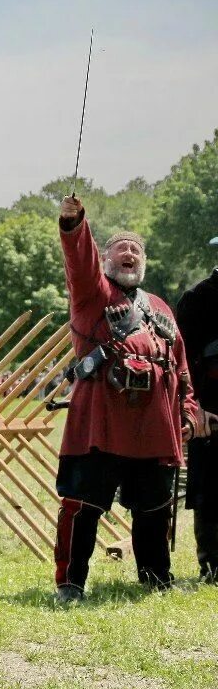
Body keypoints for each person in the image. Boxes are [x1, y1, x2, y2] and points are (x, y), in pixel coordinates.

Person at [53, 196, 199, 603]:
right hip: (101, 420)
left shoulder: (160, 307)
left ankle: (155, 577)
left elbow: (181, 366)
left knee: (153, 507)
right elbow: (79, 261)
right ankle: (71, 584)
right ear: (106, 259)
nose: (130, 253)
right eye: (121, 248)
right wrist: (74, 226)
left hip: (154, 427)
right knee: (83, 507)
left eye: (136, 249)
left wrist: (186, 413)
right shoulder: (92, 293)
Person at [175, 235, 218, 583]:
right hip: (211, 410)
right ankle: (213, 564)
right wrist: (196, 407)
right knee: (211, 489)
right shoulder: (198, 299)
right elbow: (183, 362)